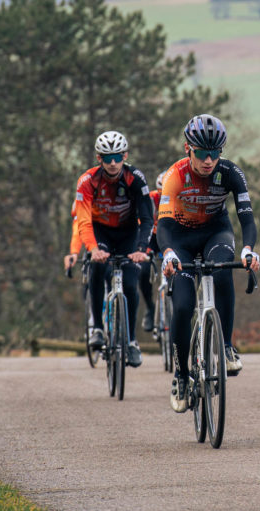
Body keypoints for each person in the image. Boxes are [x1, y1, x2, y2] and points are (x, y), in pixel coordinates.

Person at [158, 114, 260, 413]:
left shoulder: (231, 173)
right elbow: (162, 225)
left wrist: (249, 249)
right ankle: (180, 375)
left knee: (222, 269)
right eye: (202, 153)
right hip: (180, 239)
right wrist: (168, 253)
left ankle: (226, 346)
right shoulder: (175, 175)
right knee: (183, 306)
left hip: (216, 232)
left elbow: (246, 217)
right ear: (188, 148)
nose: (209, 160)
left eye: (216, 153)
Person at [74, 130, 154, 368]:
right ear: (99, 158)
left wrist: (142, 248)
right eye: (107, 158)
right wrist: (93, 248)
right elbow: (83, 221)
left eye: (117, 157)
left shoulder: (135, 178)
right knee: (97, 269)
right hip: (101, 232)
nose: (112, 163)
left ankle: (131, 341)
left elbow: (147, 218)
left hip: (128, 233)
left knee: (131, 283)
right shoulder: (87, 181)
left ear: (125, 156)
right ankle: (97, 327)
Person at [138, 172, 165, 333]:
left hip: (171, 236)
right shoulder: (150, 198)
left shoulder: (180, 197)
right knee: (143, 270)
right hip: (152, 237)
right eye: (161, 192)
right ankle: (149, 307)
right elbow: (143, 221)